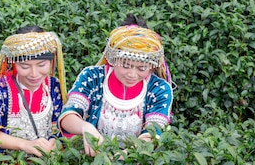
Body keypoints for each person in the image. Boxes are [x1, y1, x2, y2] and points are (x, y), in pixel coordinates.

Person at [59, 14, 173, 157]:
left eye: (141, 68)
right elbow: (68, 116)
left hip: (136, 163)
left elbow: (154, 131)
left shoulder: (158, 89)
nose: (132, 74)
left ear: (152, 66)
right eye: (125, 65)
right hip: (89, 159)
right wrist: (85, 127)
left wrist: (127, 155)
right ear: (112, 58)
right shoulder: (92, 77)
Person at [0, 26, 68, 157]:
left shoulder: (53, 86)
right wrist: (25, 145)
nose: (34, 74)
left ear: (52, 61)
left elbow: (62, 125)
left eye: (41, 65)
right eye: (25, 66)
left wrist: (54, 142)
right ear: (14, 63)